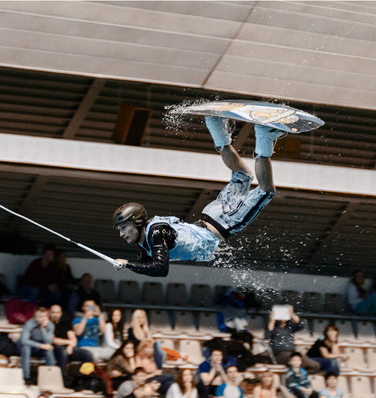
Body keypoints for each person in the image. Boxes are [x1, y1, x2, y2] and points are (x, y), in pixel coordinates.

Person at [113, 116, 286, 277]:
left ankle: (265, 136)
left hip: (223, 223)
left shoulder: (156, 233)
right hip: (211, 215)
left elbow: (160, 269)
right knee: (242, 173)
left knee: (266, 191)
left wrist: (127, 263)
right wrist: (127, 265)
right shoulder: (147, 242)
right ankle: (215, 124)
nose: (121, 234)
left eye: (123, 227)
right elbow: (147, 265)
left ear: (137, 222)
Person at [268, 305, 319, 372]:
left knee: (315, 366)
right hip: (280, 355)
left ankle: (301, 375)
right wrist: (272, 319)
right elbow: (268, 333)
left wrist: (292, 314)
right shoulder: (274, 328)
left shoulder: (290, 327)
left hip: (293, 353)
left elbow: (301, 325)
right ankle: (296, 374)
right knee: (296, 360)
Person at [49, 304, 93, 376]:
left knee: (87, 354)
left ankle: (83, 377)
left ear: (61, 313)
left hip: (68, 348)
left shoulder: (65, 324)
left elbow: (74, 340)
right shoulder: (48, 325)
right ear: (49, 313)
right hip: (54, 349)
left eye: (57, 312)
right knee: (63, 352)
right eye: (53, 312)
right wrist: (69, 342)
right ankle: (61, 377)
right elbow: (54, 340)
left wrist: (70, 346)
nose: (55, 315)